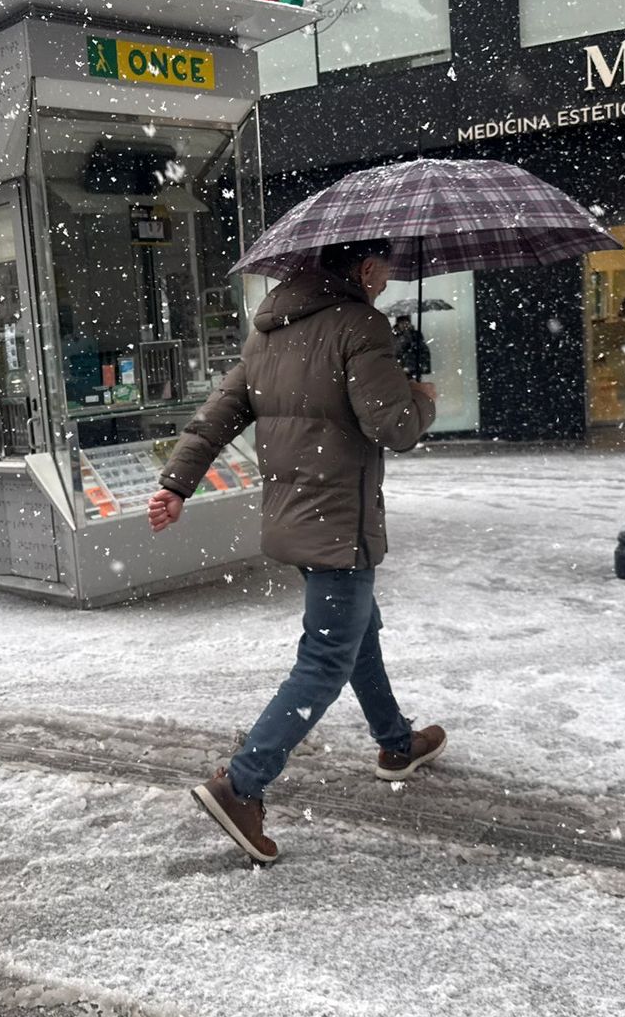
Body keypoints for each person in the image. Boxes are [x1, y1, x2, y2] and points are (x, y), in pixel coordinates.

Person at [146, 238, 441, 864]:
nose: (388, 279)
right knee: (326, 659)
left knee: (360, 632)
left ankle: (396, 742)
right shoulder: (361, 324)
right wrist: (422, 400)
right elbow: (393, 428)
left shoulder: (268, 334)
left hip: (299, 519)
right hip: (341, 524)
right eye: (385, 268)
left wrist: (175, 483)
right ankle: (241, 786)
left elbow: (216, 416)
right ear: (364, 268)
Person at [390, 314, 432, 381]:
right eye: (402, 322)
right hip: (398, 372)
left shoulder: (415, 335)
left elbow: (423, 351)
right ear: (398, 323)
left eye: (406, 322)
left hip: (413, 371)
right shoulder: (393, 336)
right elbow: (393, 352)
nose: (405, 325)